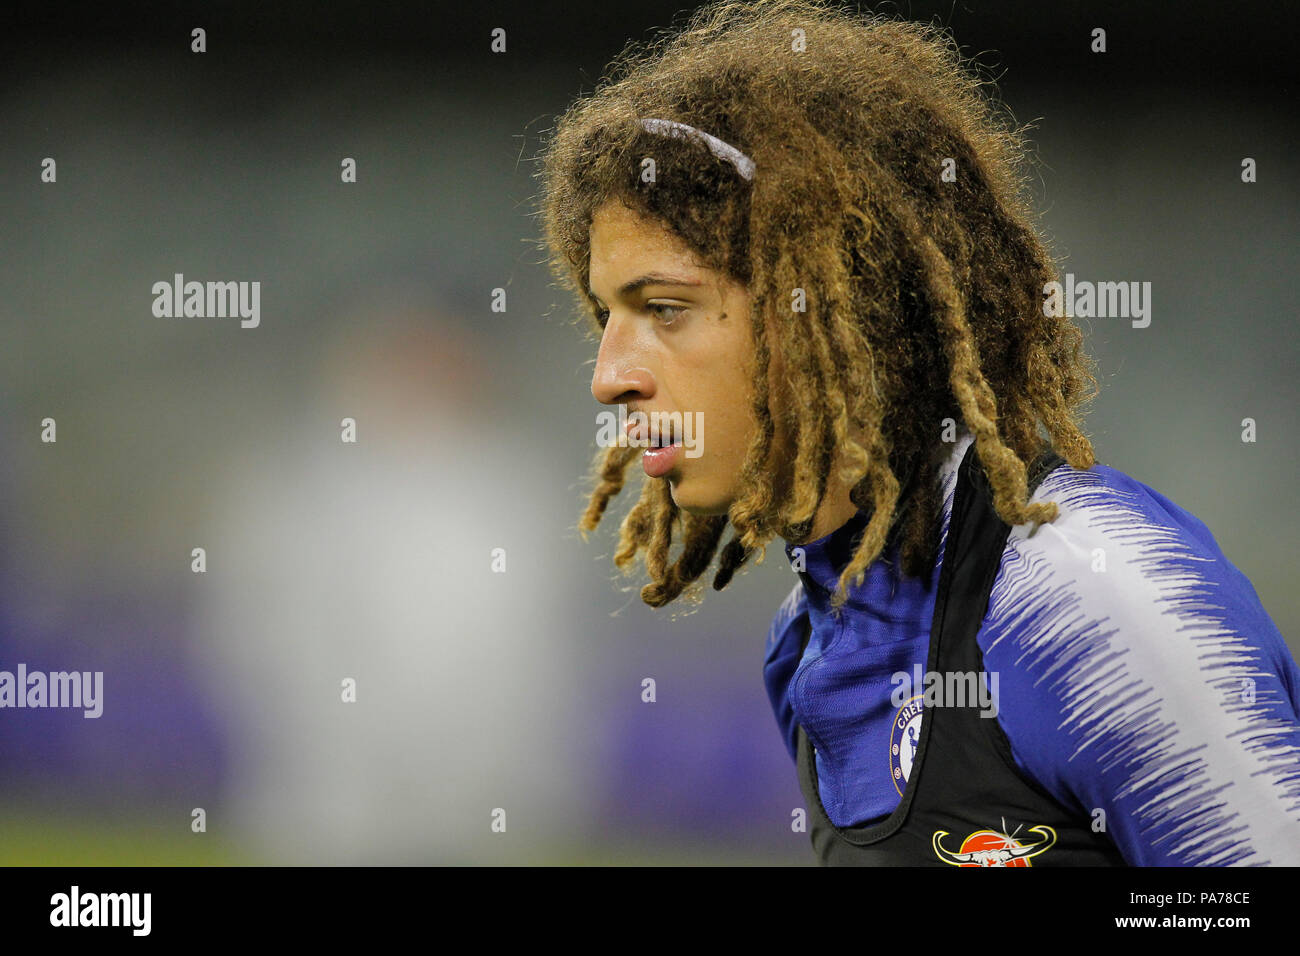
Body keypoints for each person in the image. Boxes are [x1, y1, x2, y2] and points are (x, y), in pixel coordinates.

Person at [534, 0, 1300, 865]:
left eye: (664, 309)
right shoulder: (805, 641)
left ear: (825, 309)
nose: (610, 376)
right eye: (606, 315)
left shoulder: (1084, 593)